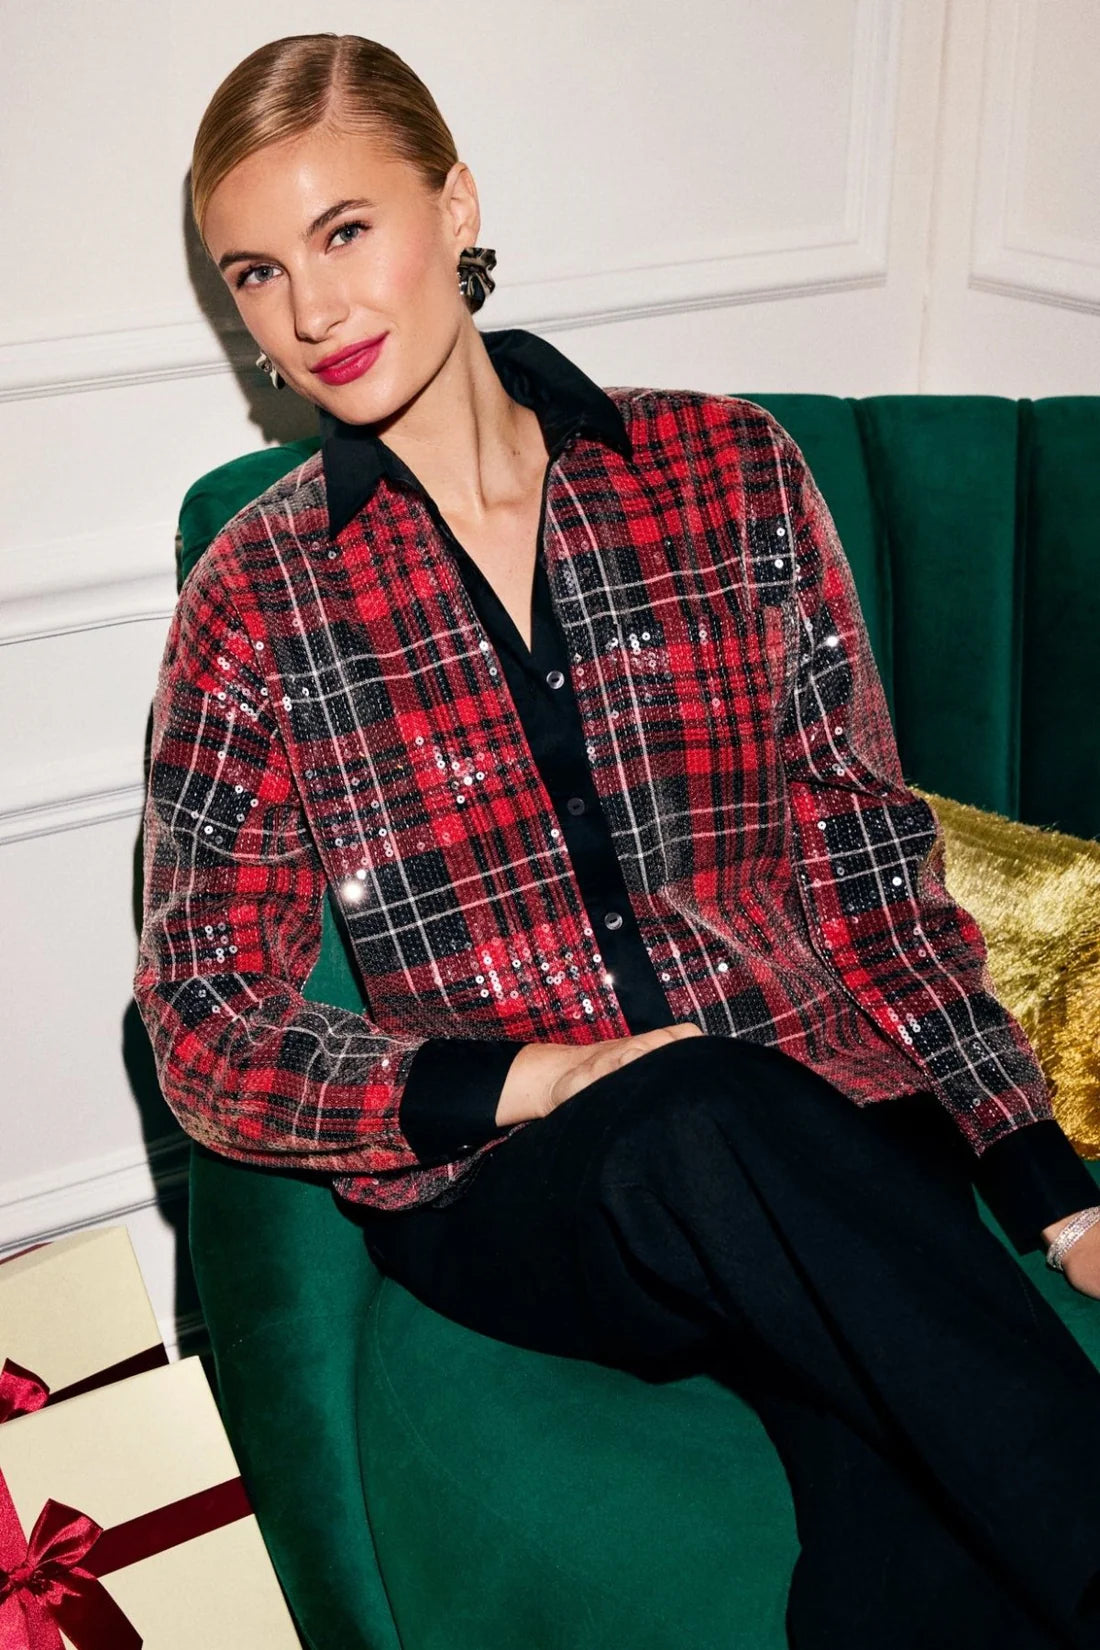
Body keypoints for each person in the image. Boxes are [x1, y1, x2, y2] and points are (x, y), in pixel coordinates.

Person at [135, 31, 1100, 1649]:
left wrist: (1050, 1185)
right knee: (695, 1105)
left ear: (456, 207)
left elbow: (871, 864)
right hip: (536, 1193)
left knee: (902, 1536)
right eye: (257, 272)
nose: (309, 311)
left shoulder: (727, 473)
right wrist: (539, 1077)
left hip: (831, 1123)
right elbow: (205, 1023)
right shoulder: (259, 598)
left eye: (346, 231)